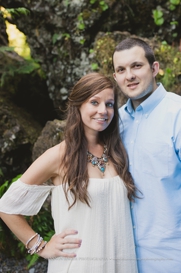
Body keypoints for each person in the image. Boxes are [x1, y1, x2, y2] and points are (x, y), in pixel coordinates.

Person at [0, 73, 138, 272]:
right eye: (94, 102)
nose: (103, 110)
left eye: (109, 104)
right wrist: (40, 246)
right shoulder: (59, 155)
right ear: (78, 105)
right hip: (77, 265)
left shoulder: (117, 152)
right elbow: (7, 207)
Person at [111, 37, 181, 272]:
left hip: (175, 261)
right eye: (121, 70)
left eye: (136, 66)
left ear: (155, 68)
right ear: (116, 77)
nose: (129, 75)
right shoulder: (114, 123)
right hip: (125, 259)